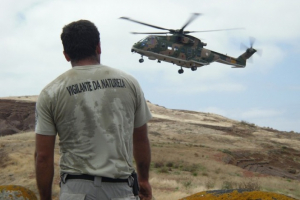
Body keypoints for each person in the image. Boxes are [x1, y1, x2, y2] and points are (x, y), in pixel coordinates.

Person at [34, 19, 153, 200]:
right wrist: (143, 180)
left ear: (66, 55)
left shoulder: (51, 92)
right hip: (121, 189)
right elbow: (141, 138)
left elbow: (43, 156)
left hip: (76, 190)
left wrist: (45, 198)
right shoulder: (129, 83)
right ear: (98, 47)